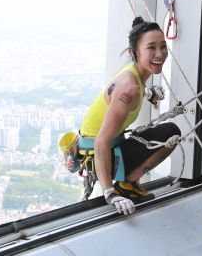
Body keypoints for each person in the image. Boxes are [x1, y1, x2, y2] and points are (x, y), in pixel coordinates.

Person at [77, 16, 180, 215]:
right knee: (171, 133)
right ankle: (125, 186)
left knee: (167, 131)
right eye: (151, 48)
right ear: (135, 52)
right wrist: (109, 193)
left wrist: (148, 93)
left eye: (163, 47)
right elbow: (101, 142)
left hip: (103, 145)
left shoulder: (133, 73)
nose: (160, 54)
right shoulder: (130, 88)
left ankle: (127, 185)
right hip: (99, 151)